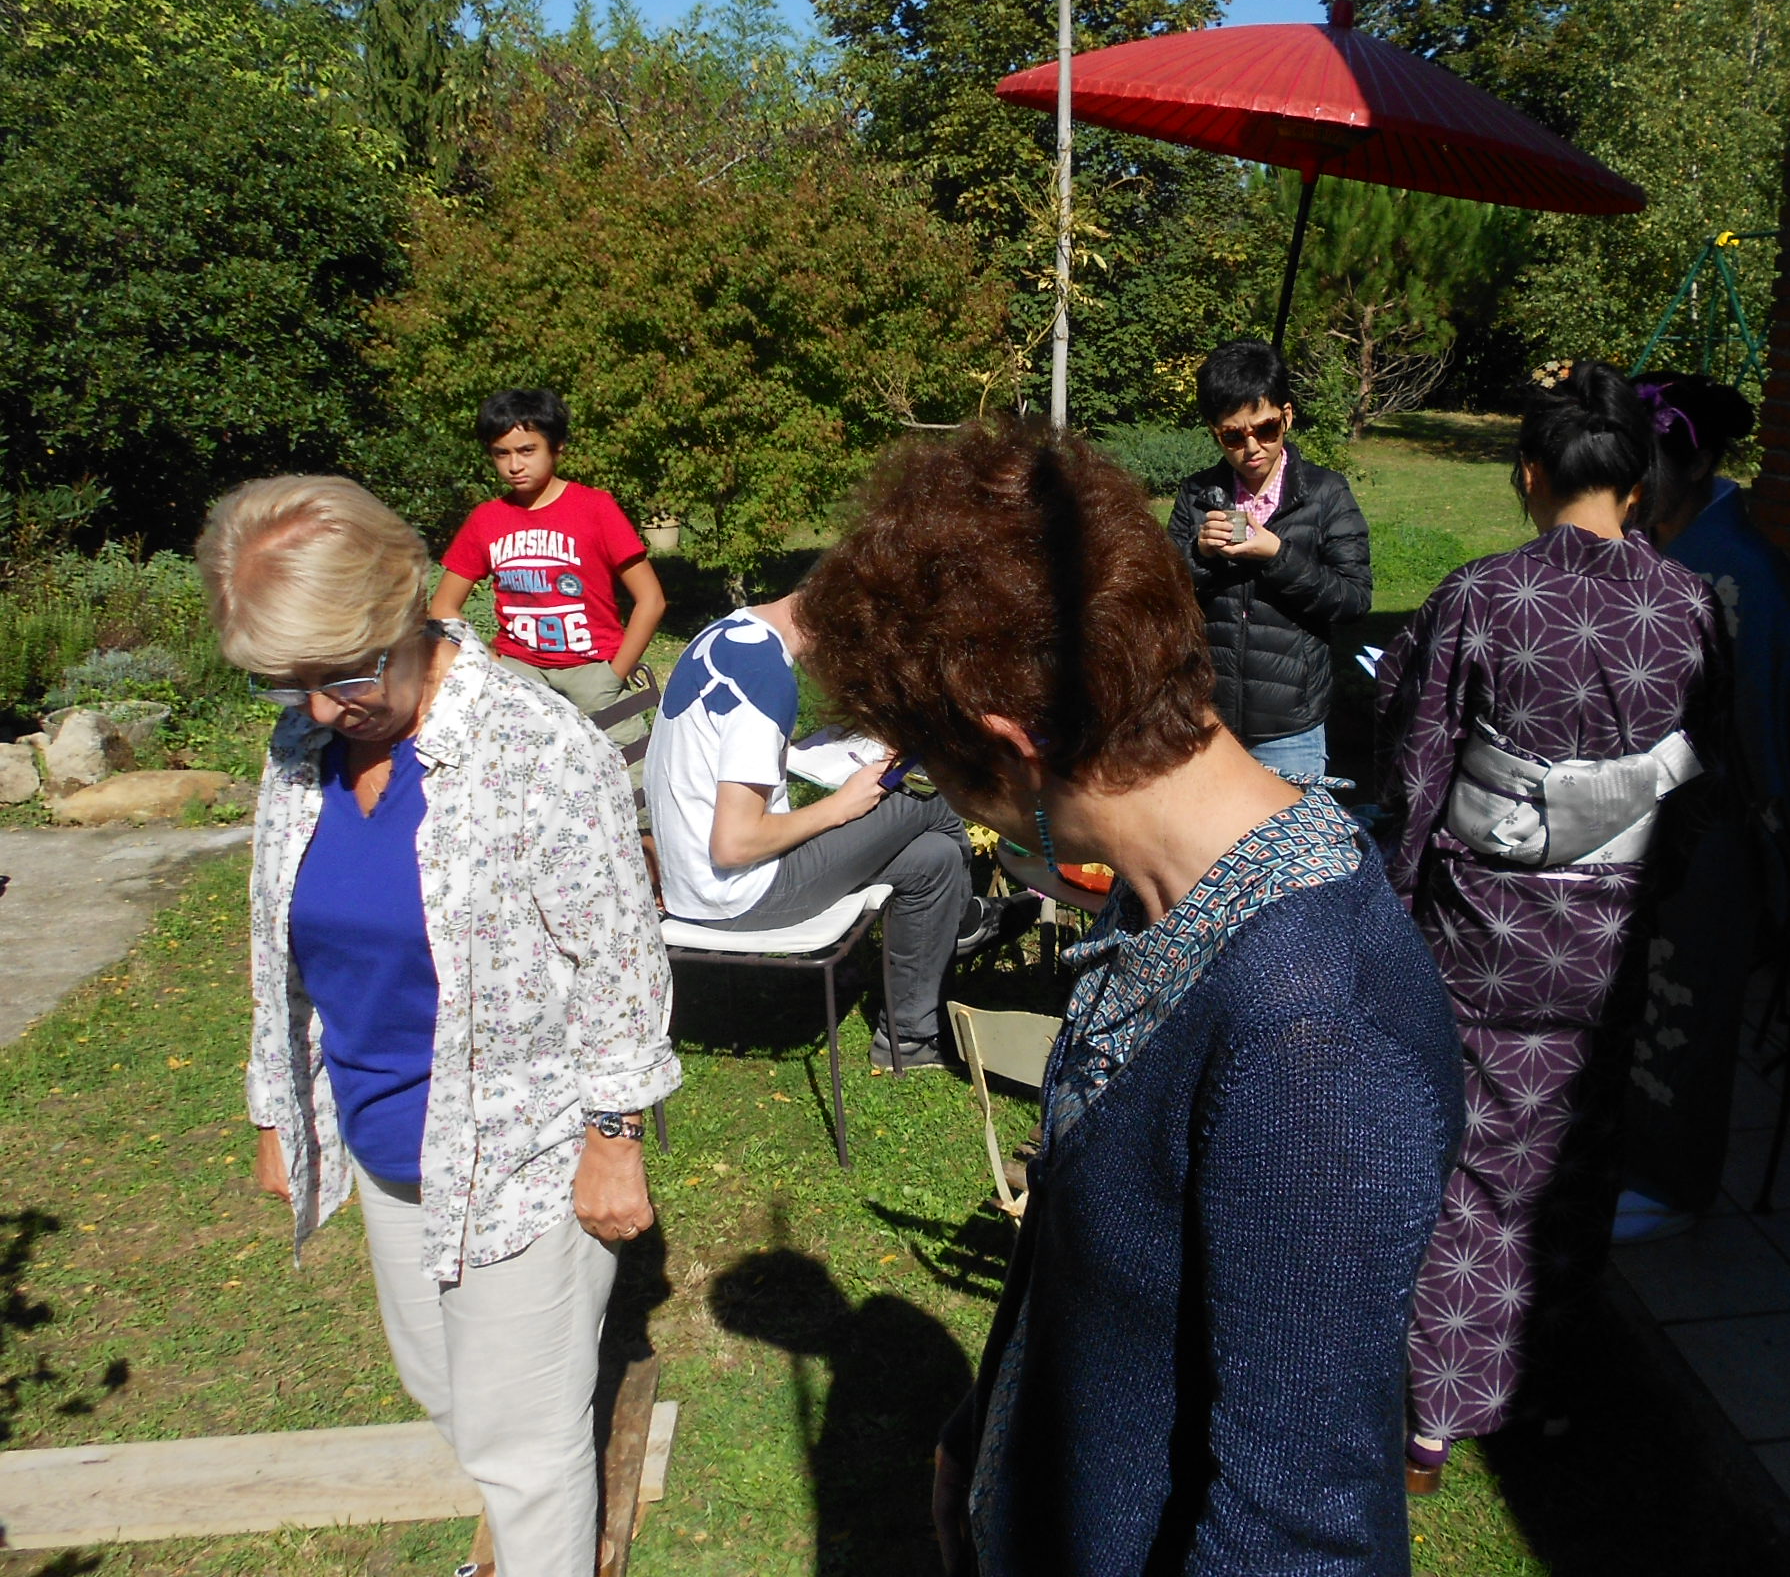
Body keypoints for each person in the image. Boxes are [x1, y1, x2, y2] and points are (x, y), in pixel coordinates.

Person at [796, 416, 1461, 1575]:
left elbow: (1300, 1534)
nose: (949, 803)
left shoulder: (1312, 1038)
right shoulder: (1161, 896)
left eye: (927, 767)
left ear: (1012, 740)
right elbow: (1075, 1235)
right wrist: (982, 1435)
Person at [196, 476, 678, 1577]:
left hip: (521, 1152)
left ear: (412, 606)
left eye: (341, 674)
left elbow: (619, 960)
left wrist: (613, 1138)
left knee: (522, 1443)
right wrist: (281, 1109)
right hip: (385, 1141)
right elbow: (285, 945)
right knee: (445, 1392)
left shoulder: (537, 749)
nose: (316, 709)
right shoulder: (301, 751)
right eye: (286, 682)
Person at [1376, 361, 1723, 1488]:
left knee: (1464, 1173)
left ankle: (1430, 1418)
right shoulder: (1691, 610)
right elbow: (1704, 788)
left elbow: (1417, 761)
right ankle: (1548, 1395)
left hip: (1479, 940)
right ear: (1635, 484)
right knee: (1575, 1164)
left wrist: (1393, 890)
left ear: (1529, 474)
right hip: (1609, 947)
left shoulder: (1480, 597)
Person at [1616, 374, 1790, 1244]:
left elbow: (1788, 714)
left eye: (1650, 463)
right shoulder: (1661, 551)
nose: (1632, 483)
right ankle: (1630, 1157)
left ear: (1699, 459)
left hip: (1711, 831)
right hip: (1641, 817)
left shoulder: (1745, 574)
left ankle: (1674, 1184)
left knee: (1688, 1004)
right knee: (1635, 1000)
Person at [643, 591, 1032, 1071]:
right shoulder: (766, 678)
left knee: (933, 857)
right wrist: (839, 807)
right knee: (929, 798)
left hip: (703, 882)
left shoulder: (732, 635)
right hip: (737, 893)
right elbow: (735, 844)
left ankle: (909, 1040)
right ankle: (968, 921)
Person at [1166, 338, 1372, 779]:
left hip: (1290, 725)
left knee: (1292, 844)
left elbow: (1353, 599)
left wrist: (1277, 555)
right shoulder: (1198, 494)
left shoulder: (1325, 493)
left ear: (1287, 417)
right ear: (1214, 431)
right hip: (1208, 719)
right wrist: (1199, 554)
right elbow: (1161, 591)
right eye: (1233, 436)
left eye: (1266, 429)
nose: (1253, 447)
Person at [430, 388, 666, 748]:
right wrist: (492, 666)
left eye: (527, 450)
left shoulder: (595, 508)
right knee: (521, 779)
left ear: (557, 447)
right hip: (519, 675)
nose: (514, 465)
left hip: (593, 672)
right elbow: (443, 607)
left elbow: (651, 599)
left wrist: (613, 674)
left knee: (630, 783)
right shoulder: (486, 519)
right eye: (501, 453)